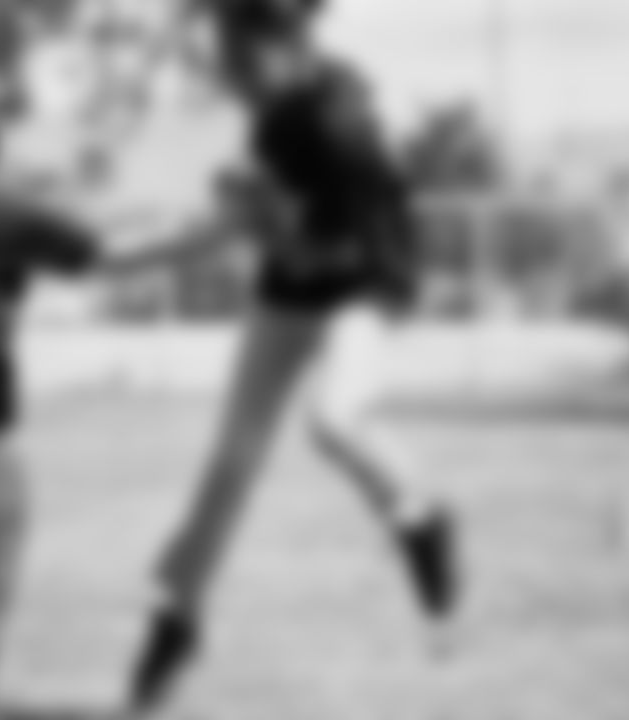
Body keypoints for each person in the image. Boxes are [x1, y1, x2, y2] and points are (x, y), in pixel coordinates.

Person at [0, 95, 240, 719]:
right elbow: (104, 254)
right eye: (7, 134)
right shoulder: (1, 204)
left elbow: (54, 230)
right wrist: (210, 234)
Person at [127, 0, 463, 711]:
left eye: (240, 57)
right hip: (292, 287)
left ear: (285, 45)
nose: (229, 73)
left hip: (362, 286)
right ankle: (178, 619)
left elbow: (332, 243)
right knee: (230, 465)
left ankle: (423, 519)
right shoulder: (275, 116)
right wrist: (113, 257)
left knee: (334, 419)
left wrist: (268, 223)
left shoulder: (343, 122)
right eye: (224, 58)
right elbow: (239, 229)